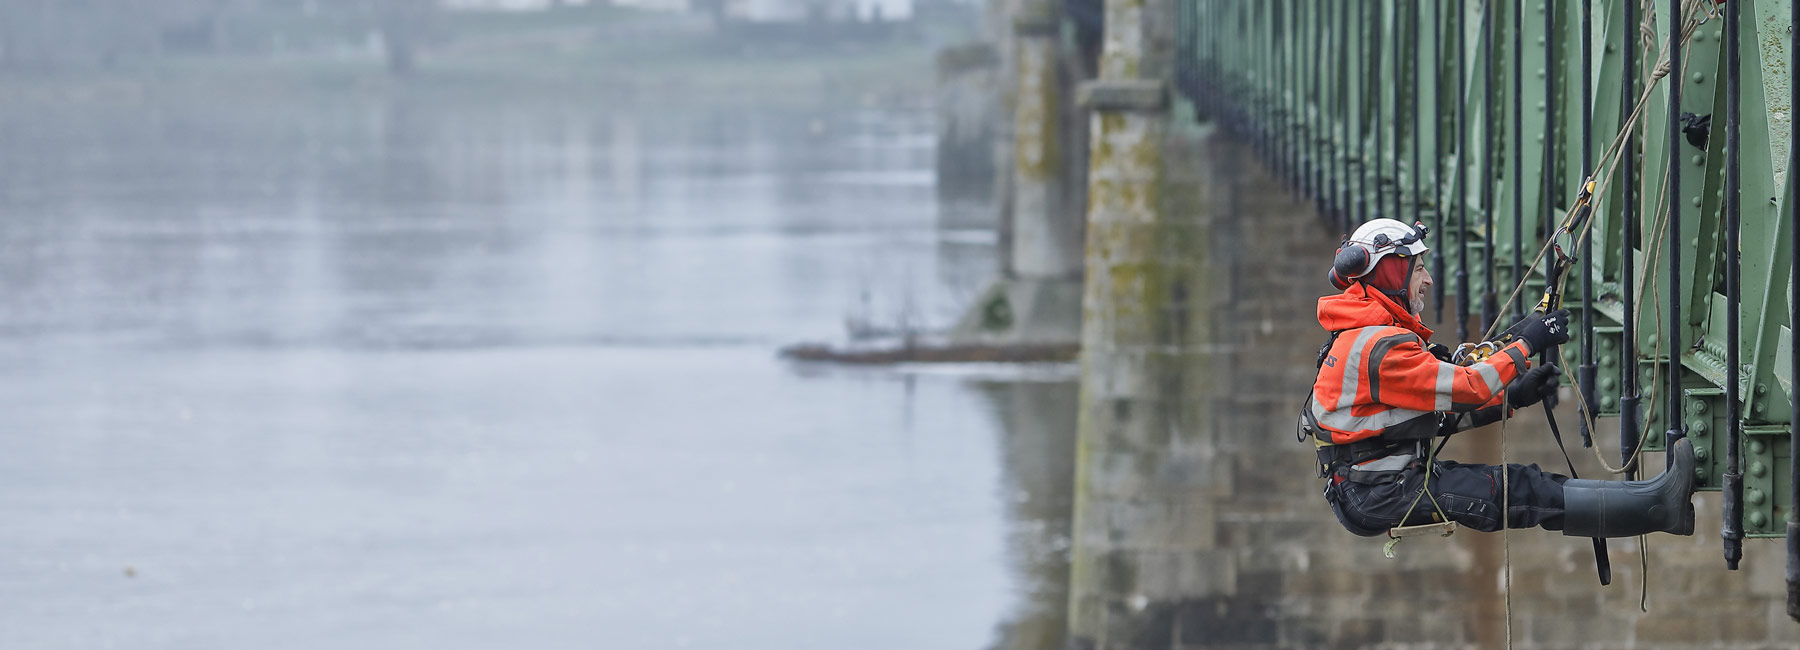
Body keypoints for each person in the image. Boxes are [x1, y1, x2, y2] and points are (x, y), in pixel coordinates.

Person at [1302, 218, 1695, 538]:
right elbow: (1466, 387)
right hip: (1379, 491)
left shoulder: (1369, 337)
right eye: (1419, 268)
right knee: (1520, 490)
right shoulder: (1378, 346)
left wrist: (1513, 396)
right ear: (1391, 272)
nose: (1428, 280)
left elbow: (1432, 415)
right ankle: (1660, 508)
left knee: (1524, 485)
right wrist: (1527, 342)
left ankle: (1655, 503)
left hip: (1374, 486)